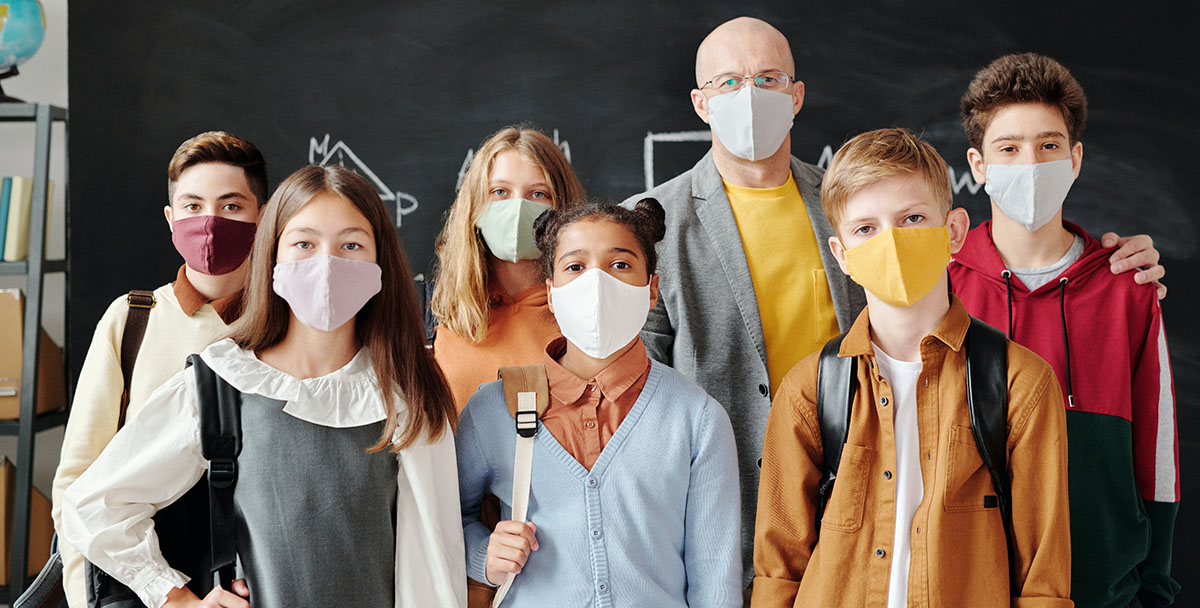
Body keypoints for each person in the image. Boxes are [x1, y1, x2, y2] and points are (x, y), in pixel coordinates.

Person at [623, 16, 1167, 592]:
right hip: (717, 517)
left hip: (878, 499)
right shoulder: (651, 225)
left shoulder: (848, 196)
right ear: (700, 101)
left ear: (797, 94)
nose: (750, 96)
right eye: (728, 82)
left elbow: (931, 272)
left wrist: (1094, 264)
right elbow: (640, 389)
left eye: (769, 78)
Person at [61, 165, 466, 608]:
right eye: (304, 244)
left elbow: (433, 559)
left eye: (351, 244)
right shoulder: (223, 382)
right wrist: (176, 598)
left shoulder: (408, 391)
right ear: (272, 256)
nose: (326, 263)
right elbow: (96, 503)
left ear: (379, 261)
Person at [753, 128, 1071, 607]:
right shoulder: (810, 390)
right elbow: (778, 572)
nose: (893, 242)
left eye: (912, 218)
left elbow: (1043, 580)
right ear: (842, 255)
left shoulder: (1018, 382)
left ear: (954, 231)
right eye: (866, 229)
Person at [950, 53, 1179, 608]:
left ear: (1075, 158)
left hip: (1100, 584)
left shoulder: (1129, 284)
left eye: (1049, 146)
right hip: (969, 582)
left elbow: (1158, 449)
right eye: (1009, 148)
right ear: (978, 165)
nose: (1031, 163)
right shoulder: (943, 284)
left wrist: (1155, 581)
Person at [456, 198, 742, 606]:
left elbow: (715, 579)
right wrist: (484, 554)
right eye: (575, 267)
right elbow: (441, 521)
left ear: (652, 290)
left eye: (620, 265)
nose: (597, 282)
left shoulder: (698, 419)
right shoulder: (493, 409)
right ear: (551, 294)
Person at [51, 131, 267, 608]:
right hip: (145, 585)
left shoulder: (291, 325)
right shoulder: (132, 319)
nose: (209, 222)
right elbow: (79, 480)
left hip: (258, 582)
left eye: (231, 206)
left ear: (264, 216)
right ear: (170, 219)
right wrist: (85, 595)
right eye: (192, 206)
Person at [431, 126, 585, 410]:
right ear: (474, 206)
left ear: (563, 209)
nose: (517, 208)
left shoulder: (587, 314)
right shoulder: (438, 315)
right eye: (500, 191)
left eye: (538, 194)